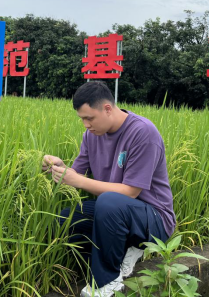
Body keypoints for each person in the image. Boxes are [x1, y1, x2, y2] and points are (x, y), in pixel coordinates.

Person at [42, 81, 176, 297]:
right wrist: (58, 168)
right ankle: (118, 256)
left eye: (89, 118)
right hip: (115, 211)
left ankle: (107, 281)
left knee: (108, 201)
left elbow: (131, 192)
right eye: (82, 119)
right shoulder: (91, 136)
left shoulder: (143, 133)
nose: (86, 125)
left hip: (154, 219)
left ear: (107, 108)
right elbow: (77, 174)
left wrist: (77, 180)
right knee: (66, 219)